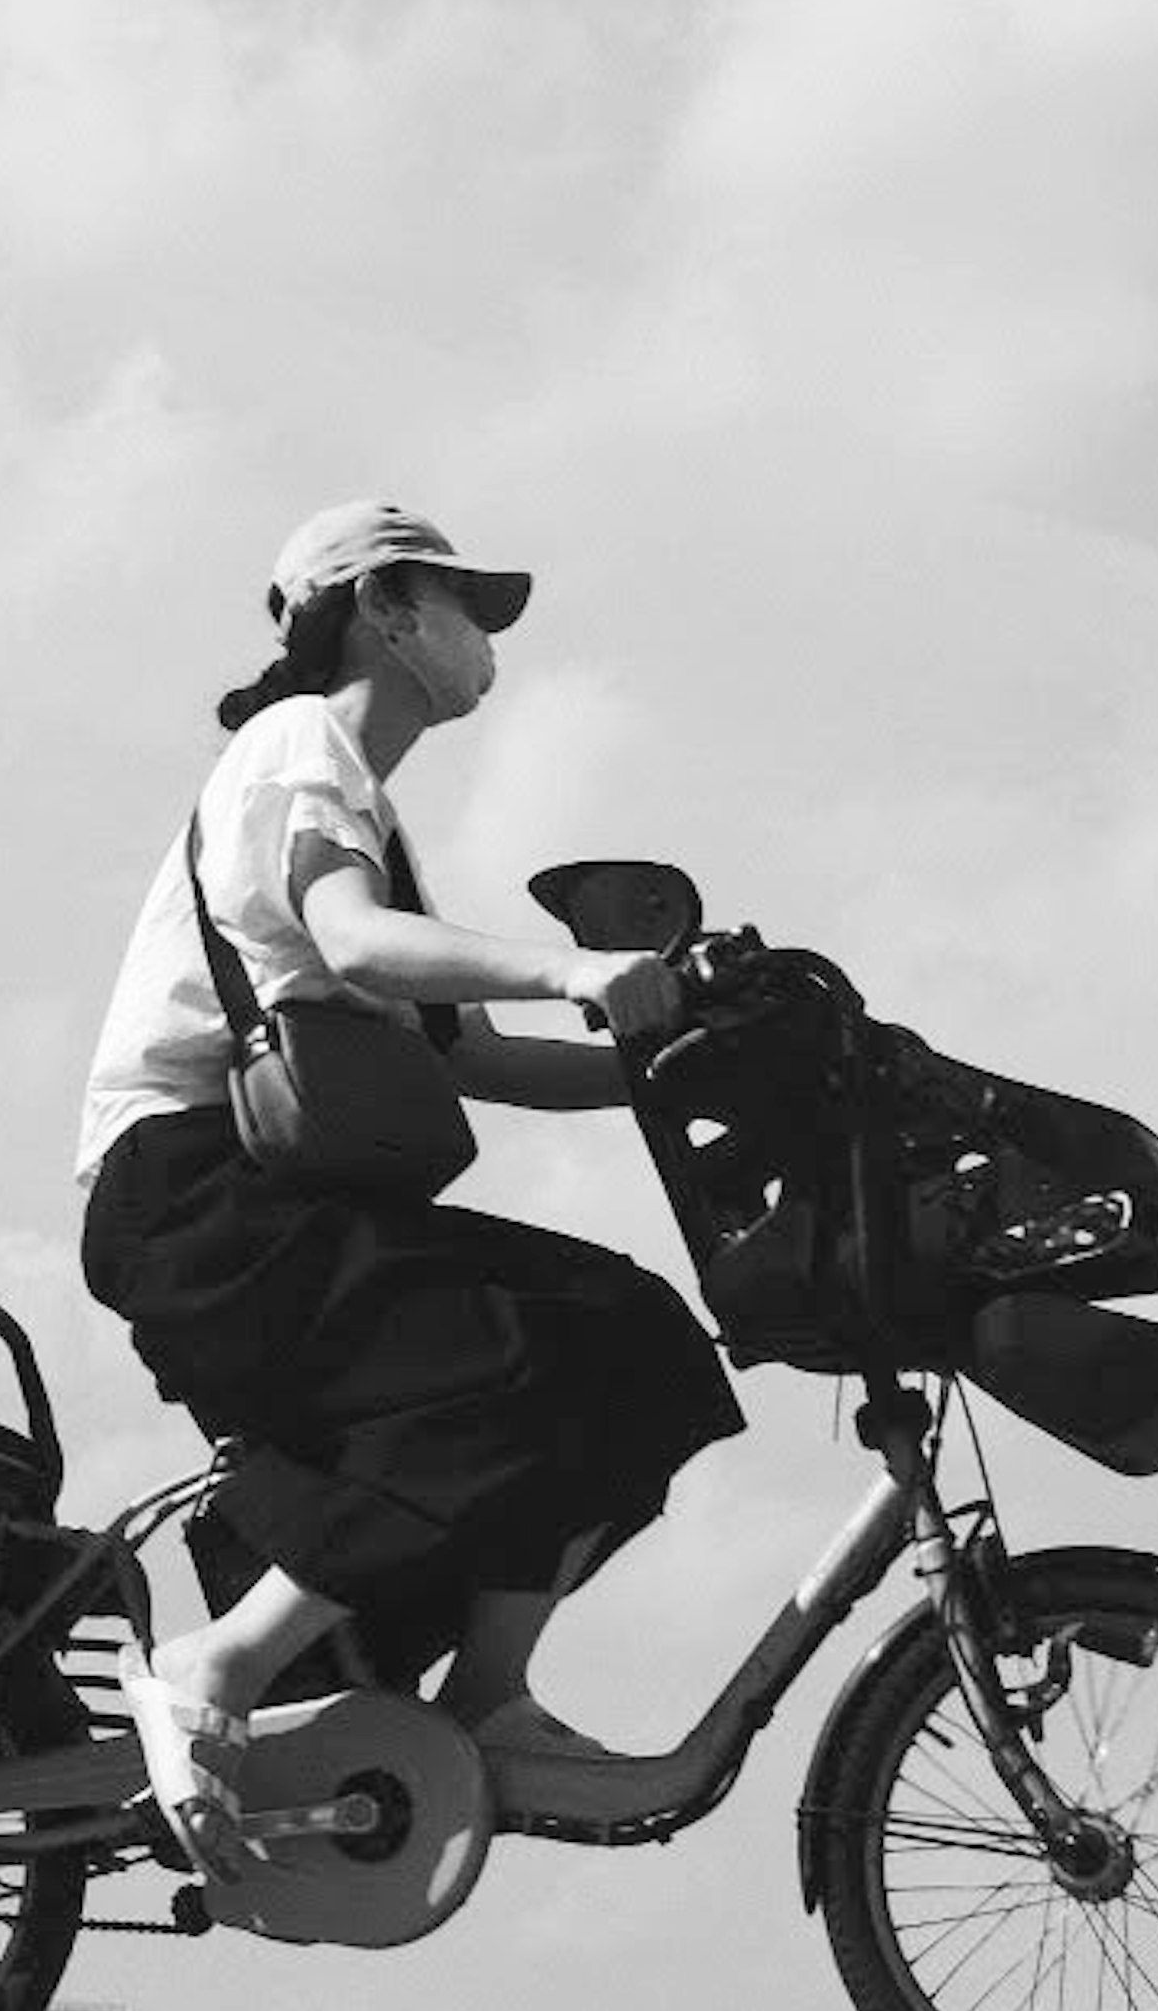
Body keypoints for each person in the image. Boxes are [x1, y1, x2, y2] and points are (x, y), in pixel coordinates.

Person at [75, 497, 740, 1869]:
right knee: (489, 1371)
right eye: (462, 605)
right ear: (383, 610)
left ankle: (488, 1703)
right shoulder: (296, 745)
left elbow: (476, 1056)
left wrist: (674, 1072)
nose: (484, 638)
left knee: (634, 1335)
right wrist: (571, 967)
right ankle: (217, 1669)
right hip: (193, 1195)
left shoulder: (364, 804)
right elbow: (352, 941)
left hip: (274, 1200)